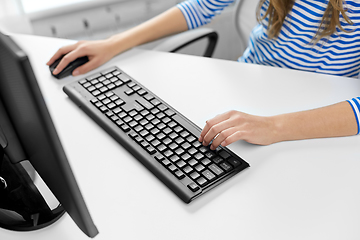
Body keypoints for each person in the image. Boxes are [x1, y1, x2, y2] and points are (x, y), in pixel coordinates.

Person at [47, 0, 360, 149]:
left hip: (313, 119)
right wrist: (113, 44)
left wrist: (274, 127)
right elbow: (203, 6)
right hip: (250, 89)